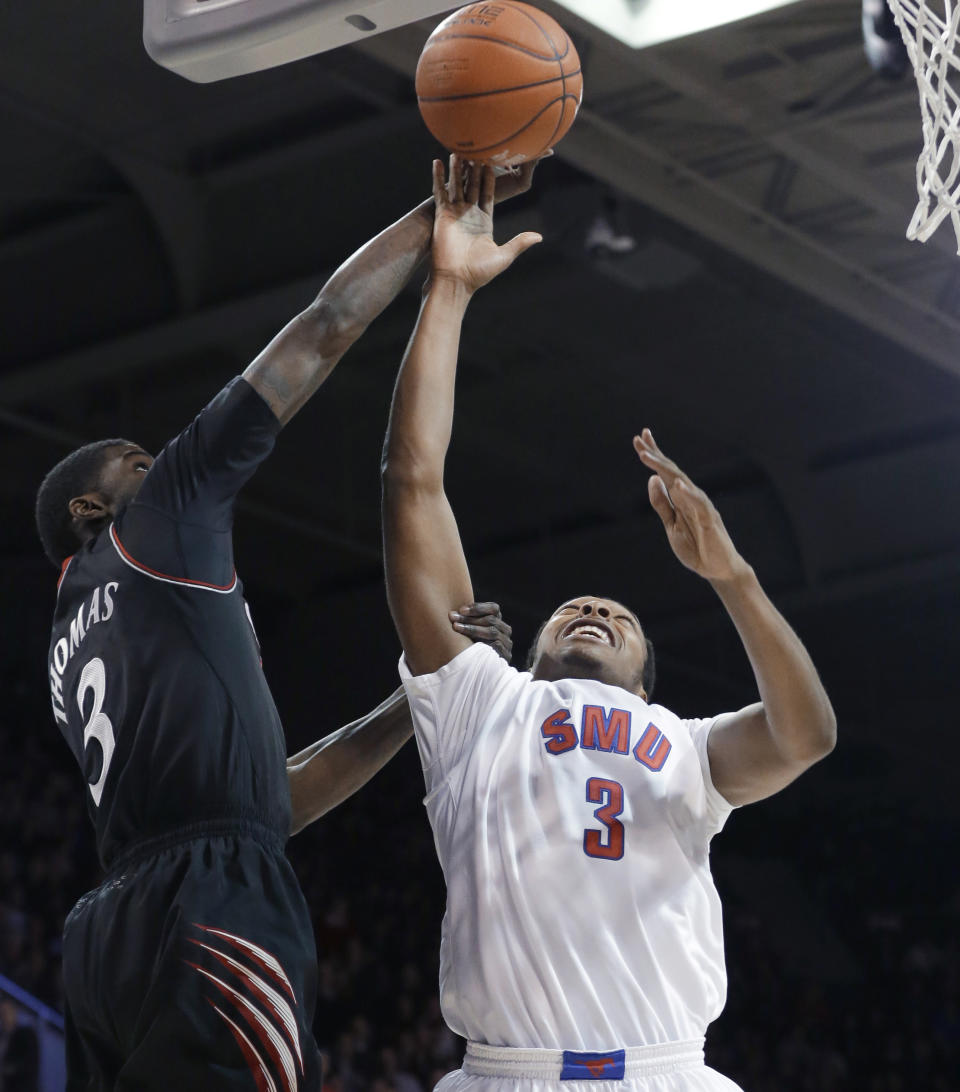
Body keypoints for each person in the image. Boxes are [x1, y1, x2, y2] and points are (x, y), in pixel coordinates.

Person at [35, 164, 533, 1092]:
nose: (164, 466)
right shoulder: (149, 533)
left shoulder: (66, 649)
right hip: (207, 902)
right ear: (90, 510)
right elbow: (326, 325)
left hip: (109, 933)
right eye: (139, 463)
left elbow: (273, 801)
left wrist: (418, 696)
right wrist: (441, 218)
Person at [380, 156, 837, 1092]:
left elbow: (806, 737)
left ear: (647, 677)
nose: (591, 607)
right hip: (505, 1074)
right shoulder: (475, 704)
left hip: (670, 1074)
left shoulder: (685, 747)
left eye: (617, 614)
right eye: (574, 609)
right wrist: (450, 291)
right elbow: (411, 481)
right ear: (535, 649)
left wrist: (735, 576)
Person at [0, 998, 39, 1092]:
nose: (5, 1017)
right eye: (2, 1013)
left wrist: (6, 1070)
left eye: (7, 1012)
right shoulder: (2, 1035)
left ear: (15, 1012)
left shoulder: (26, 1034)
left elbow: (29, 1063)